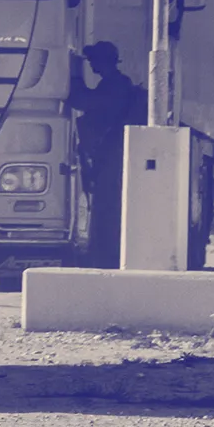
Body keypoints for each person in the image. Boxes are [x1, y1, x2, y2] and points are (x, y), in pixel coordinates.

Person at [74, 41, 148, 268]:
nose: (92, 65)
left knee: (107, 204)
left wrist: (73, 77)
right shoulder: (113, 83)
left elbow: (84, 102)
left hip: (113, 153)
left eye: (93, 60)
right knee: (104, 203)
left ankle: (106, 256)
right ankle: (104, 253)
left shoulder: (116, 85)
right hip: (110, 152)